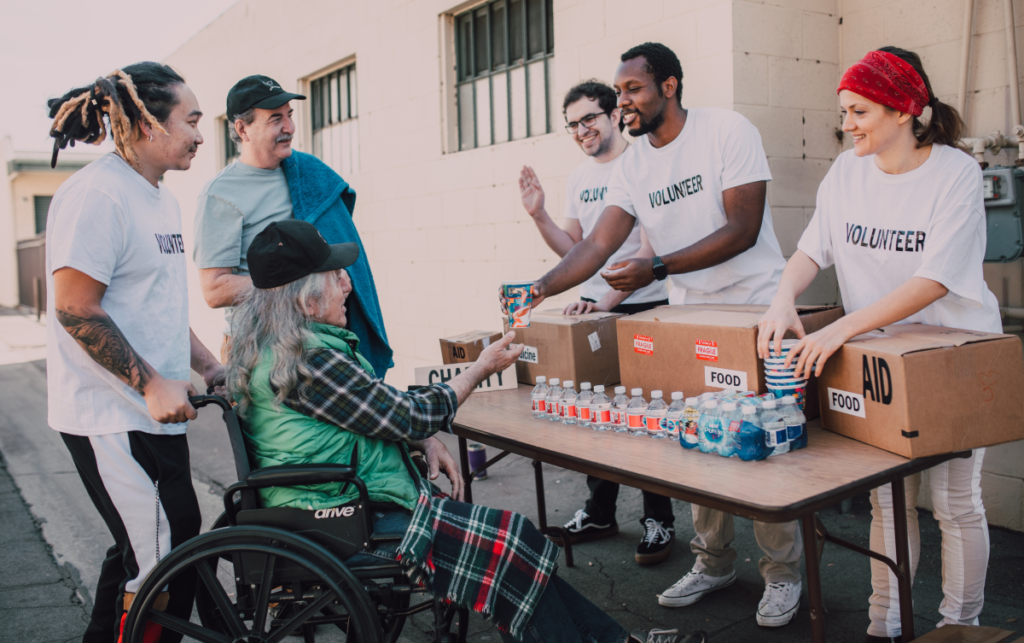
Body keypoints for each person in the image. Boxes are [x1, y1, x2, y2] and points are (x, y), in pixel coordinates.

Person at [228, 219, 707, 643]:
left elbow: (376, 414)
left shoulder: (284, 350)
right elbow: (406, 414)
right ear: (305, 299)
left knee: (515, 546)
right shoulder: (309, 361)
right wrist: (478, 370)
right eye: (335, 277)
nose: (348, 283)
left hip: (339, 503)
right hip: (345, 520)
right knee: (510, 546)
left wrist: (420, 436)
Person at [502, 42, 803, 627]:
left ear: (669, 86)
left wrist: (659, 268)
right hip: (690, 316)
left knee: (758, 447)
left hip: (752, 307)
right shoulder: (634, 164)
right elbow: (595, 246)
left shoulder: (726, 131)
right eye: (619, 93)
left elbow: (742, 229)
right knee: (699, 440)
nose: (623, 103)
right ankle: (713, 561)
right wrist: (540, 286)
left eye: (633, 90)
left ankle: (782, 574)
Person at [757, 47, 998, 643]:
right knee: (888, 502)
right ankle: (882, 625)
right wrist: (782, 298)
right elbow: (813, 249)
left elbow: (934, 279)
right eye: (845, 111)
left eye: (860, 111)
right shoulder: (846, 171)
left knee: (955, 502)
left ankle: (957, 629)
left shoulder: (955, 173)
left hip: (954, 357)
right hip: (881, 356)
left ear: (906, 110)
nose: (848, 124)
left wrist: (841, 327)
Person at [45, 63, 226, 643]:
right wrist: (150, 383)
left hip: (156, 414)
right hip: (110, 415)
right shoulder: (97, 195)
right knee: (159, 556)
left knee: (160, 544)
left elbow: (157, 306)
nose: (201, 134)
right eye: (191, 120)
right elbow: (75, 307)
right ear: (147, 122)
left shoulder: (160, 199)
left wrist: (206, 365)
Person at [519, 79, 673, 563]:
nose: (581, 130)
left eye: (589, 118)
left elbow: (649, 249)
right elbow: (577, 251)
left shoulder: (643, 164)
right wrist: (539, 215)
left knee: (647, 419)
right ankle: (600, 512)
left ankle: (659, 520)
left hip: (641, 308)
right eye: (572, 124)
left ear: (613, 115)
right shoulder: (580, 178)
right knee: (595, 417)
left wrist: (603, 302)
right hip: (593, 312)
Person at [193, 75, 392, 377]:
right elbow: (214, 290)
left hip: (323, 341)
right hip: (259, 346)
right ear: (242, 128)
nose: (289, 128)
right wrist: (301, 283)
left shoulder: (309, 173)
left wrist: (334, 276)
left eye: (289, 115)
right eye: (275, 119)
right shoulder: (220, 194)